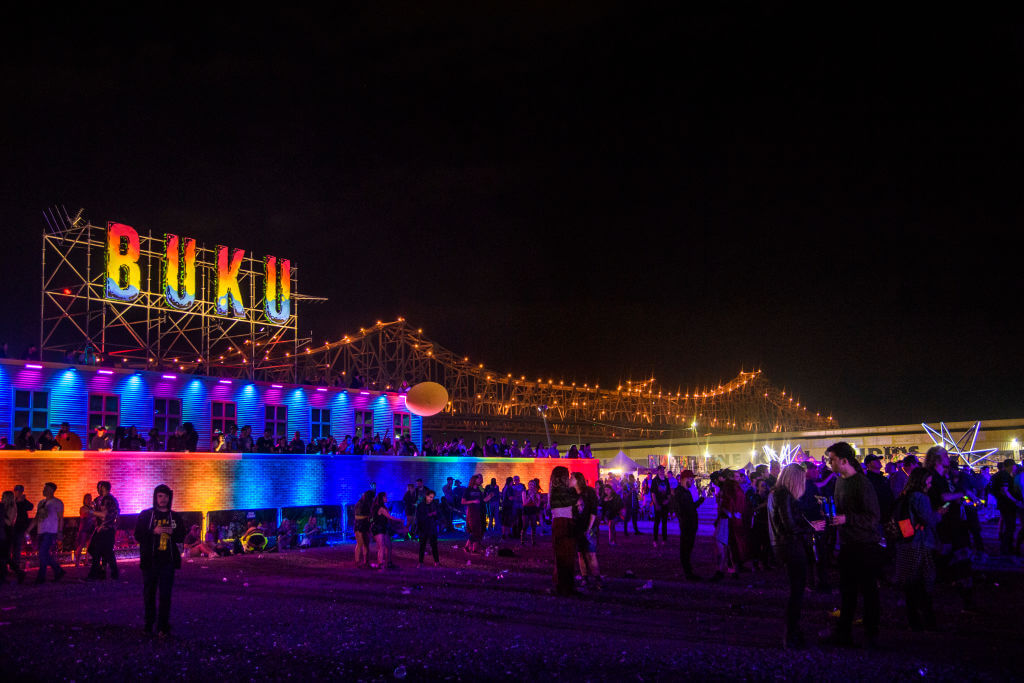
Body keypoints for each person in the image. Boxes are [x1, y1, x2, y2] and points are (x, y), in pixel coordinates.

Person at [826, 442, 882, 648]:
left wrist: (846, 519)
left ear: (844, 460)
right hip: (847, 544)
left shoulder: (862, 484)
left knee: (868, 590)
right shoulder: (839, 482)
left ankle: (871, 633)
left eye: (831, 459)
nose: (829, 463)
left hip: (865, 545)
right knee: (847, 591)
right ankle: (844, 633)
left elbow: (873, 517)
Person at [768, 464, 826, 649]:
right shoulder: (784, 495)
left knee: (797, 590)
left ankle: (794, 632)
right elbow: (789, 526)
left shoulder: (777, 493)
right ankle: (791, 633)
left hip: (783, 545)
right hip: (790, 546)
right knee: (797, 592)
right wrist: (812, 527)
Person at [892, 468, 943, 631]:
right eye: (928, 481)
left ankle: (913, 618)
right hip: (920, 542)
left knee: (910, 583)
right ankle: (928, 620)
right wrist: (939, 513)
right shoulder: (921, 497)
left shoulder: (904, 496)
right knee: (923, 581)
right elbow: (929, 520)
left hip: (906, 541)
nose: (930, 484)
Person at [134, 484, 187, 636]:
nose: (163, 499)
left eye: (166, 496)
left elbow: (181, 536)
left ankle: (163, 626)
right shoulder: (146, 515)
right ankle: (149, 624)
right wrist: (153, 531)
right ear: (155, 497)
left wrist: (173, 532)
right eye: (160, 496)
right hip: (150, 561)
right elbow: (138, 535)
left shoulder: (175, 517)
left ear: (170, 497)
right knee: (149, 594)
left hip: (167, 561)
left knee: (165, 595)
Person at [548, 466, 578, 596]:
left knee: (563, 556)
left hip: (561, 523)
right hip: (563, 523)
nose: (570, 477)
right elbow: (575, 502)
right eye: (568, 475)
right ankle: (565, 586)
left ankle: (563, 585)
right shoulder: (561, 491)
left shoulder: (556, 490)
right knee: (565, 556)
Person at [27, 482, 65, 583]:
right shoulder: (41, 503)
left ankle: (41, 577)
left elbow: (61, 518)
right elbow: (36, 518)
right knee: (44, 554)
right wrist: (28, 530)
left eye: (46, 488)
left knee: (42, 553)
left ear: (51, 490)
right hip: (41, 531)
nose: (43, 490)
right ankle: (58, 570)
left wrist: (60, 532)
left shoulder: (57, 502)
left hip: (51, 531)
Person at [673, 470, 705, 581]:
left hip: (689, 524)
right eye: (691, 479)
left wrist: (701, 499)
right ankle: (688, 573)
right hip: (687, 525)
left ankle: (688, 572)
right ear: (685, 479)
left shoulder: (685, 492)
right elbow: (687, 509)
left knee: (687, 549)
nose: (692, 482)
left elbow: (691, 507)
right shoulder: (681, 493)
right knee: (685, 549)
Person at [86, 480, 120, 580]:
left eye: (99, 487)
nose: (97, 489)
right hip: (104, 529)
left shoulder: (107, 499)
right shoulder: (105, 499)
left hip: (105, 529)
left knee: (96, 550)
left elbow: (104, 515)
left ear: (103, 488)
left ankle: (95, 574)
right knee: (105, 551)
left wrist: (90, 512)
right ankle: (107, 572)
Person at [990, 458, 1022, 556]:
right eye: (1014, 466)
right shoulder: (1004, 475)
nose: (1015, 468)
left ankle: (1007, 547)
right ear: (1011, 466)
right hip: (1007, 505)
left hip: (1004, 504)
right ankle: (1006, 549)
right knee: (1010, 527)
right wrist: (1015, 501)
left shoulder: (1000, 475)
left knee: (1009, 526)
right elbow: (1005, 491)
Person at [461, 474, 492, 554]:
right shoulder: (468, 490)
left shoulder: (479, 489)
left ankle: (474, 549)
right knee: (475, 530)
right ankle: (467, 547)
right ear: (474, 480)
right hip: (472, 512)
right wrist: (473, 501)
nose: (481, 480)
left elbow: (482, 500)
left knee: (479, 531)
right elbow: (463, 501)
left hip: (480, 512)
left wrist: (489, 497)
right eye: (479, 479)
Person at [370, 492, 401, 570]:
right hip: (378, 528)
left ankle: (389, 562)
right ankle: (380, 564)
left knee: (389, 546)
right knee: (381, 547)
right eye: (385, 497)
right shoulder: (380, 508)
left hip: (383, 528)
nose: (386, 498)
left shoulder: (381, 507)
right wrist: (400, 520)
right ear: (382, 498)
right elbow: (390, 517)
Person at [9, 485, 33, 582]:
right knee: (10, 548)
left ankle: (15, 567)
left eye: (19, 491)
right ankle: (12, 567)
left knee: (17, 547)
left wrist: (23, 501)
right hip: (11, 527)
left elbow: (30, 507)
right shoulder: (12, 501)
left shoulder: (23, 502)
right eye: (16, 491)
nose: (17, 493)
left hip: (19, 528)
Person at [416, 488, 442, 567]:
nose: (431, 499)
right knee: (422, 545)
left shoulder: (434, 504)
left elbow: (438, 515)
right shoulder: (421, 505)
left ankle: (437, 562)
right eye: (430, 497)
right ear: (426, 496)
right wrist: (430, 514)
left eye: (433, 497)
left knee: (434, 545)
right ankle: (420, 562)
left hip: (432, 528)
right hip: (423, 528)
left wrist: (436, 515)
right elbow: (419, 517)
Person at [650, 466, 672, 548]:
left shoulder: (666, 480)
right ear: (658, 471)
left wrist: (668, 500)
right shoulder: (655, 481)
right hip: (658, 504)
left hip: (665, 505)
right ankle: (655, 540)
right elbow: (653, 494)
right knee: (656, 523)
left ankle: (664, 539)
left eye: (663, 470)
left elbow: (669, 492)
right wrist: (656, 504)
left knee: (664, 523)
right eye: (660, 470)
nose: (662, 471)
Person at [353, 490, 374, 568]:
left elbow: (356, 516)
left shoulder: (359, 503)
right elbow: (359, 516)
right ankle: (365, 562)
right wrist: (368, 517)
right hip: (362, 525)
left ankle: (358, 561)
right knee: (365, 544)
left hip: (358, 525)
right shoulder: (364, 504)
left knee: (360, 544)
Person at [74, 492, 96, 566]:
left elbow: (94, 517)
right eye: (87, 498)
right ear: (84, 500)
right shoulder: (83, 508)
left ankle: (86, 561)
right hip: (84, 529)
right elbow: (86, 515)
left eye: (90, 498)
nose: (89, 500)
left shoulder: (92, 508)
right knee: (81, 545)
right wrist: (93, 515)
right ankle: (77, 562)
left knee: (89, 546)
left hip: (91, 529)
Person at [0, 490, 16, 584]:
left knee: (4, 555)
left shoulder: (12, 507)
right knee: (3, 555)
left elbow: (9, 522)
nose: (2, 498)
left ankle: (18, 571)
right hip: (3, 530)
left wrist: (2, 515)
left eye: (4, 497)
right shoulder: (3, 507)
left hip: (7, 531)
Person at [521, 479, 543, 546]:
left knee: (534, 526)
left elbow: (538, 505)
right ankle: (522, 541)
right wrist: (530, 496)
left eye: (532, 485)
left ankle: (533, 541)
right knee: (525, 526)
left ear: (534, 486)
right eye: (529, 484)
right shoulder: (524, 492)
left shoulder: (537, 494)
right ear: (528, 485)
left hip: (533, 510)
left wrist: (533, 498)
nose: (531, 486)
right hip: (526, 510)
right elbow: (524, 503)